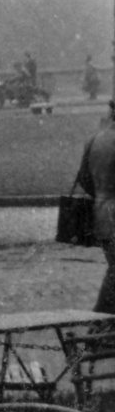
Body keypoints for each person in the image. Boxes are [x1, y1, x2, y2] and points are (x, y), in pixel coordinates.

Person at [76, 102, 115, 313]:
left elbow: (84, 179)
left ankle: (101, 329)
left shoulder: (94, 139)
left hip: (101, 212)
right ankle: (99, 327)